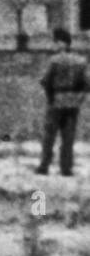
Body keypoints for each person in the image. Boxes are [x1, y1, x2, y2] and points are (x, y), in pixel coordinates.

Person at [36, 27, 87, 177]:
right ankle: (66, 168)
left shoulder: (54, 60)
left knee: (49, 136)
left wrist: (49, 95)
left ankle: (44, 165)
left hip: (56, 100)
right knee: (68, 137)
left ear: (62, 43)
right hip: (72, 102)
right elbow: (87, 83)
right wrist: (79, 98)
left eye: (56, 42)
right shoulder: (81, 61)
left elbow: (45, 81)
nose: (55, 45)